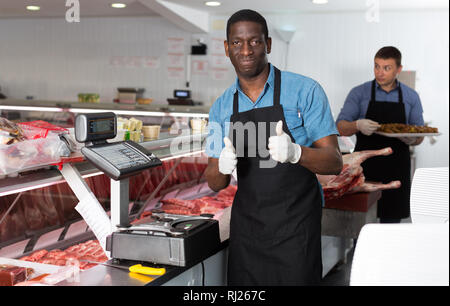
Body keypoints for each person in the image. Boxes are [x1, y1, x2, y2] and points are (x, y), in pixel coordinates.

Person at [204, 9, 342, 286]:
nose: (245, 50)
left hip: (296, 228)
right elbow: (213, 182)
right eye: (236, 42)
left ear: (267, 44)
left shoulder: (305, 90)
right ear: (226, 48)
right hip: (248, 230)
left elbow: (334, 161)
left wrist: (297, 153)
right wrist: (221, 166)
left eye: (254, 41)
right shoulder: (221, 107)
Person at [336, 46, 425, 224]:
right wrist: (357, 125)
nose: (380, 72)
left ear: (398, 69)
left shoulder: (411, 96)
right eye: (377, 66)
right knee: (360, 223)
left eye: (387, 68)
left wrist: (412, 137)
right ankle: (359, 251)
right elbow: (340, 127)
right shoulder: (359, 93)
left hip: (396, 167)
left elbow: (420, 134)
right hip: (365, 168)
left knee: (391, 224)